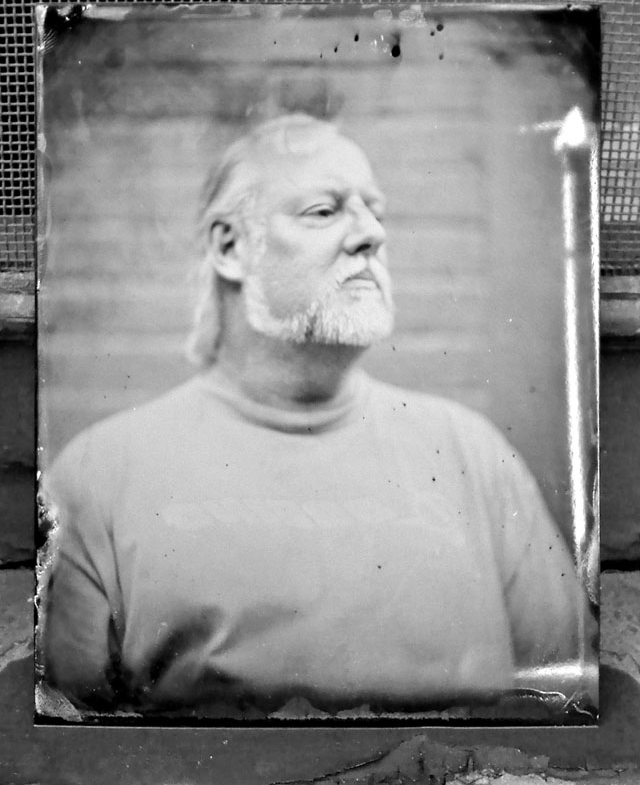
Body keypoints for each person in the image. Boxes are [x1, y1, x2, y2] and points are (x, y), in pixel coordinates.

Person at [40, 113, 592, 718]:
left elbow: (567, 697)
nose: (371, 235)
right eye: (325, 211)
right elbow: (69, 735)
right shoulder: (98, 475)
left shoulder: (471, 453)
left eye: (375, 212)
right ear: (231, 247)